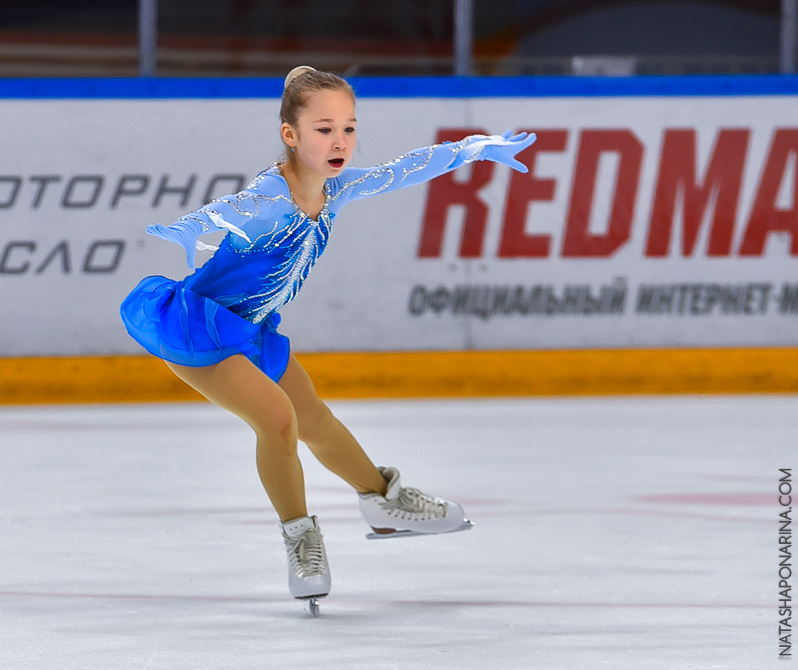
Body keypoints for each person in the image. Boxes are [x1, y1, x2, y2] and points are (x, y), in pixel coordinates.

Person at [121, 66, 536, 610]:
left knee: (314, 419)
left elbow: (402, 170)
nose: (339, 140)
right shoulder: (273, 195)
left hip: (248, 329)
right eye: (323, 129)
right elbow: (234, 207)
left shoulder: (336, 191)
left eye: (348, 127)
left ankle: (384, 501)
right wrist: (189, 226)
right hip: (200, 328)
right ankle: (301, 540)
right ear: (290, 135)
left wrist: (471, 148)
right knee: (278, 419)